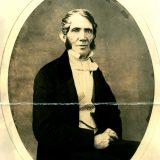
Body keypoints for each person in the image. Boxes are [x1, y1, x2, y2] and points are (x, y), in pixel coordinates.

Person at [32, 9, 139, 160]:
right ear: (63, 36)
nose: (82, 37)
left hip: (99, 142)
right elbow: (44, 130)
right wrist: (91, 140)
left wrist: (110, 132)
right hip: (64, 151)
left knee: (149, 151)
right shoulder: (48, 74)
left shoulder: (94, 69)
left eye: (88, 31)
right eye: (76, 30)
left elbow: (112, 110)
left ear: (94, 35)